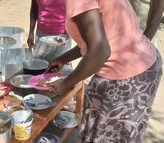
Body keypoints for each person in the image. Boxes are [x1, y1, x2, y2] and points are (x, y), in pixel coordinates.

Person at [45, 0, 163, 142]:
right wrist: (64, 58)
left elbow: (100, 51)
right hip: (147, 66)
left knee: (104, 137)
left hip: (125, 79)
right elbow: (101, 36)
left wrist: (64, 84)